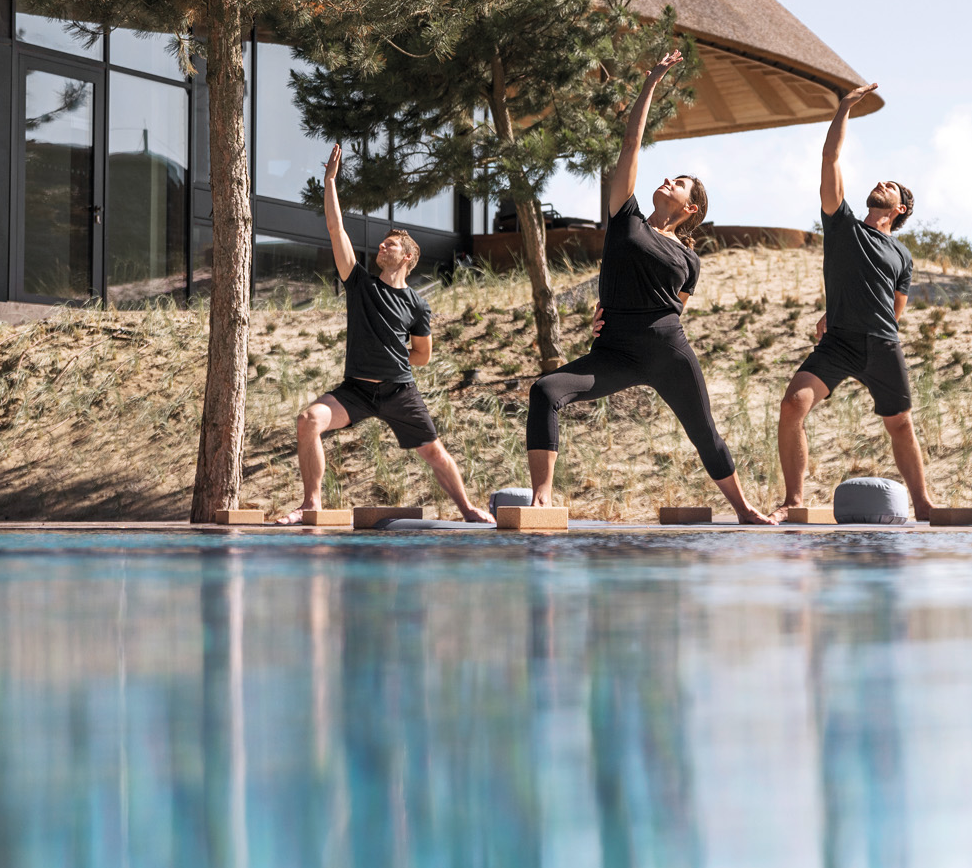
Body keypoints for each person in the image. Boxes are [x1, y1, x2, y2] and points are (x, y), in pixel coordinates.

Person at [525, 50, 777, 524]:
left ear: (691, 207)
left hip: (667, 352)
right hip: (614, 352)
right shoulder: (627, 220)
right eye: (669, 177)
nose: (668, 181)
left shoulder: (690, 259)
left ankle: (744, 509)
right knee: (545, 390)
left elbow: (675, 307)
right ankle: (542, 499)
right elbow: (631, 147)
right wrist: (652, 83)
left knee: (705, 432)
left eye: (679, 182)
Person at [281, 144, 492, 525]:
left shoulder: (417, 305)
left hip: (399, 392)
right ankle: (312, 502)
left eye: (390, 244)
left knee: (435, 454)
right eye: (382, 242)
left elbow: (422, 355)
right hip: (356, 392)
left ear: (408, 257)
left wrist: (393, 359)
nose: (381, 245)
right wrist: (330, 181)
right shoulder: (359, 282)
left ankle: (468, 510)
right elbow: (335, 228)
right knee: (309, 420)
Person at [777, 84, 935, 519]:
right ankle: (794, 500)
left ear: (901, 208)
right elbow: (831, 160)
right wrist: (844, 107)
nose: (881, 183)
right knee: (793, 405)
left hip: (882, 344)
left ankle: (922, 504)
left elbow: (897, 307)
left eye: (892, 186)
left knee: (900, 424)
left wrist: (860, 309)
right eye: (880, 181)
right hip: (840, 343)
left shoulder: (902, 254)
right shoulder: (843, 224)